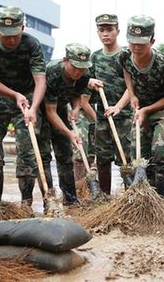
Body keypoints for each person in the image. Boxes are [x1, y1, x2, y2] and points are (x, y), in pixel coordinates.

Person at [0, 6, 47, 207]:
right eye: (6, 36)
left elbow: (40, 80)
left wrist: (33, 107)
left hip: (27, 97)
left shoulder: (32, 44)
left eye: (15, 35)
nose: (10, 40)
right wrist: (13, 94)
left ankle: (26, 203)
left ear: (23, 28)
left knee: (27, 149)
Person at [119, 15, 164, 197]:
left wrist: (148, 109)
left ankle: (160, 199)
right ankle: (142, 196)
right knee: (137, 153)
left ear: (152, 41)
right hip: (142, 108)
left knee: (160, 150)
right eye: (132, 42)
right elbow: (127, 71)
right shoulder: (124, 55)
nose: (136, 47)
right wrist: (132, 94)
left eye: (142, 43)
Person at [41, 43, 103, 206]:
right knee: (43, 156)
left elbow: (76, 94)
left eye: (82, 68)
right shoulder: (52, 71)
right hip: (40, 109)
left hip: (60, 107)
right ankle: (49, 200)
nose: (78, 72)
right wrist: (70, 133)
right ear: (66, 60)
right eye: (75, 67)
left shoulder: (84, 72)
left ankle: (70, 198)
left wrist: (75, 108)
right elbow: (50, 111)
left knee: (65, 154)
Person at [86, 13, 132, 193]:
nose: (106, 34)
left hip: (124, 114)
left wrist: (119, 107)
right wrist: (89, 82)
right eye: (102, 30)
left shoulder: (125, 55)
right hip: (103, 114)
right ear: (97, 32)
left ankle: (131, 197)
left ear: (117, 31)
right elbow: (86, 82)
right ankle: (104, 198)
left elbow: (131, 87)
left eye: (109, 30)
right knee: (103, 157)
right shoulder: (95, 57)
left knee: (125, 157)